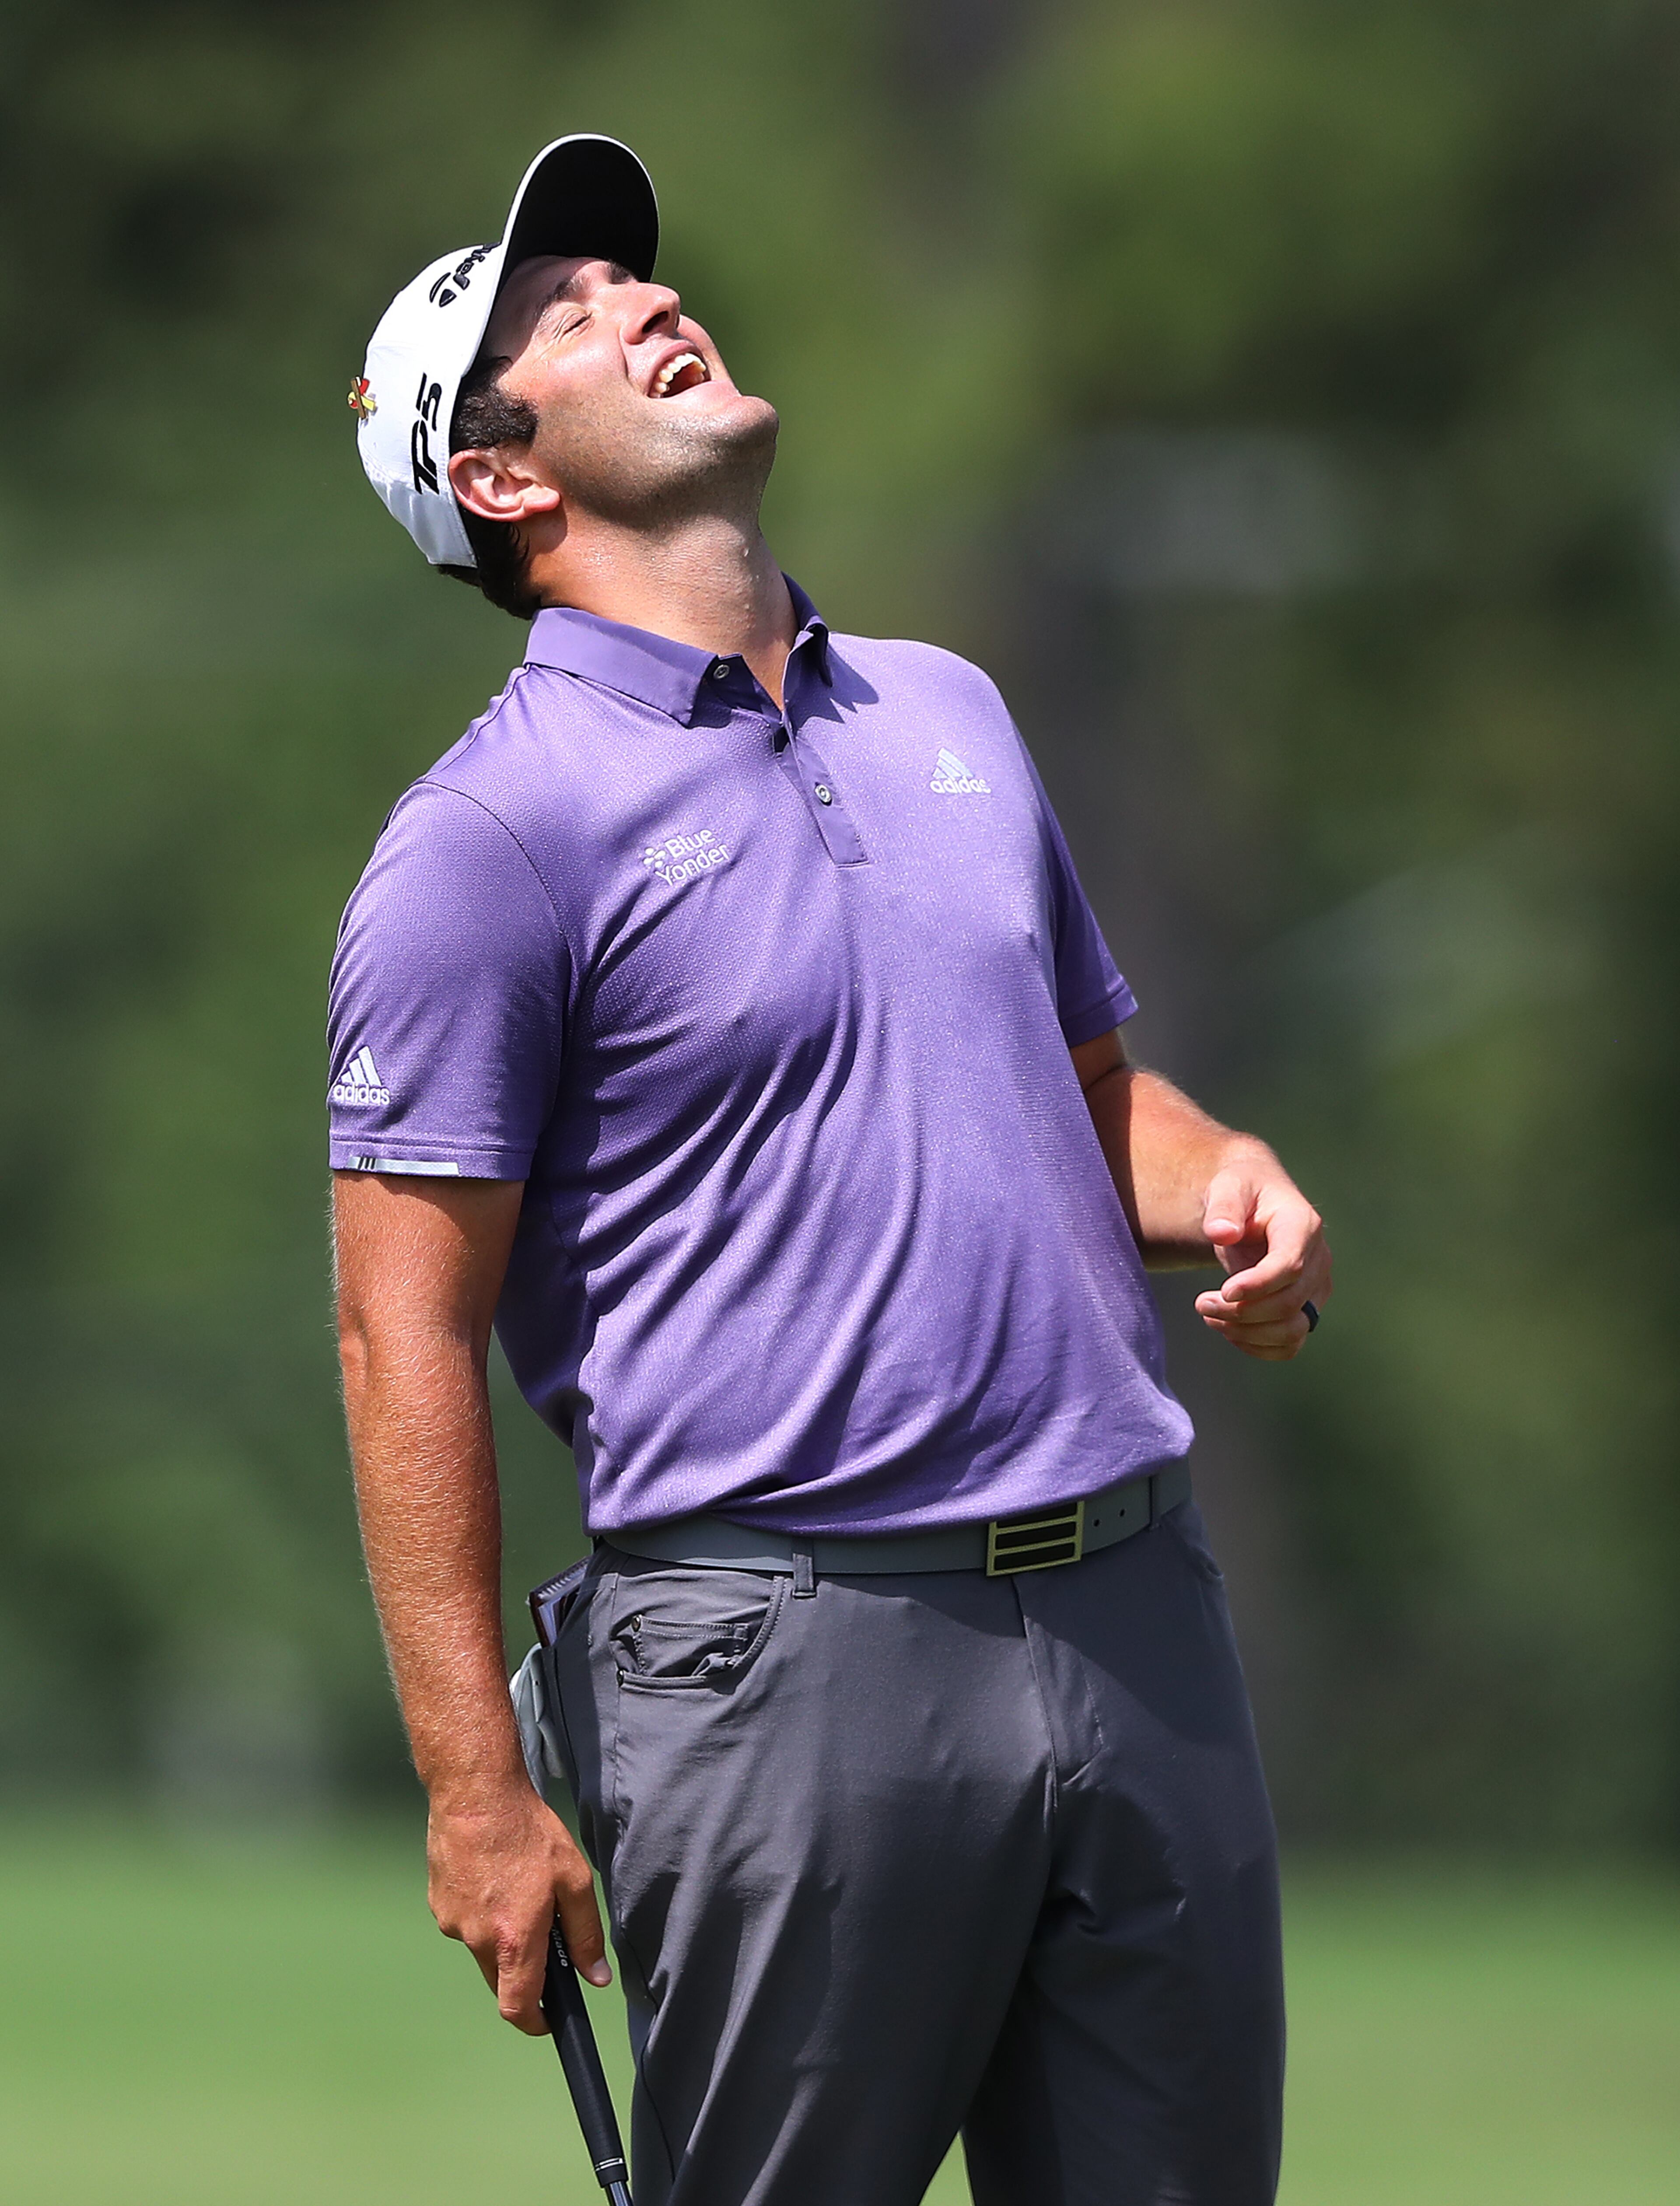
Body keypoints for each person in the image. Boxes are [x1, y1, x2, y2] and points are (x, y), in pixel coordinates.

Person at [331, 135, 1331, 2206]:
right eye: (562, 312)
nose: (632, 296)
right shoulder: (484, 845)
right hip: (787, 1653)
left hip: (1139, 1605)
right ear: (503, 478)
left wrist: (1227, 1171)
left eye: (626, 271)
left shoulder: (947, 711)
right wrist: (473, 1787)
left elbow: (1081, 1095)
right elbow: (396, 1323)